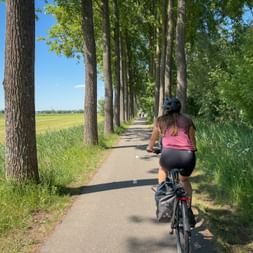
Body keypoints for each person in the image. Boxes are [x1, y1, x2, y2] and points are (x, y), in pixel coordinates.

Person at [147, 97, 197, 226]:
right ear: (179, 108)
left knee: (163, 169)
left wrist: (150, 148)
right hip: (188, 156)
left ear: (165, 109)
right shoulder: (187, 120)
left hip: (169, 155)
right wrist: (194, 149)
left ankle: (163, 189)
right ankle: (188, 207)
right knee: (184, 180)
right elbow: (192, 140)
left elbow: (154, 137)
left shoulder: (161, 121)